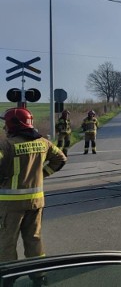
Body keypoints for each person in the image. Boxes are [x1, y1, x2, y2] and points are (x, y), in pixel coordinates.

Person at [0, 107, 67, 262]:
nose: (4, 128)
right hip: (36, 202)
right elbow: (61, 159)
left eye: (6, 125)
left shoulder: (7, 145)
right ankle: (39, 276)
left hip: (10, 205)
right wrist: (42, 174)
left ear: (12, 125)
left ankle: (9, 277)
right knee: (34, 239)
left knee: (6, 242)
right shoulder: (44, 143)